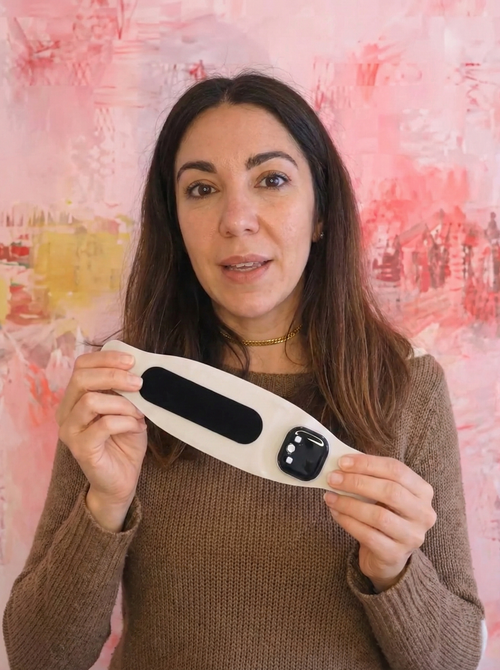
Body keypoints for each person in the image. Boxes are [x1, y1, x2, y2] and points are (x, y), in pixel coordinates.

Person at [3, 72, 486, 670]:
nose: (236, 219)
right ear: (175, 222)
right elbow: (39, 658)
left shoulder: (408, 388)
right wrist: (104, 504)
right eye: (202, 189)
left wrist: (395, 571)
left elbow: (457, 659)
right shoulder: (121, 389)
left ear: (321, 212)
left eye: (271, 180)